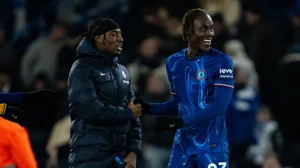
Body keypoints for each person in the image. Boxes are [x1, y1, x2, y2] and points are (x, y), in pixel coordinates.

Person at [135, 8, 235, 167]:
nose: (209, 33)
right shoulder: (173, 62)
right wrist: (150, 108)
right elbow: (179, 103)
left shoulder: (222, 61)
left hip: (212, 145)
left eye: (210, 28)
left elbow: (218, 107)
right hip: (183, 146)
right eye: (203, 29)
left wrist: (179, 122)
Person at [68, 18, 142, 168]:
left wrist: (133, 152)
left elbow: (135, 114)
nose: (120, 39)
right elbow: (89, 109)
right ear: (99, 39)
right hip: (89, 157)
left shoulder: (123, 71)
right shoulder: (81, 68)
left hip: (120, 158)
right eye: (114, 34)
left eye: (120, 35)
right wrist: (126, 114)